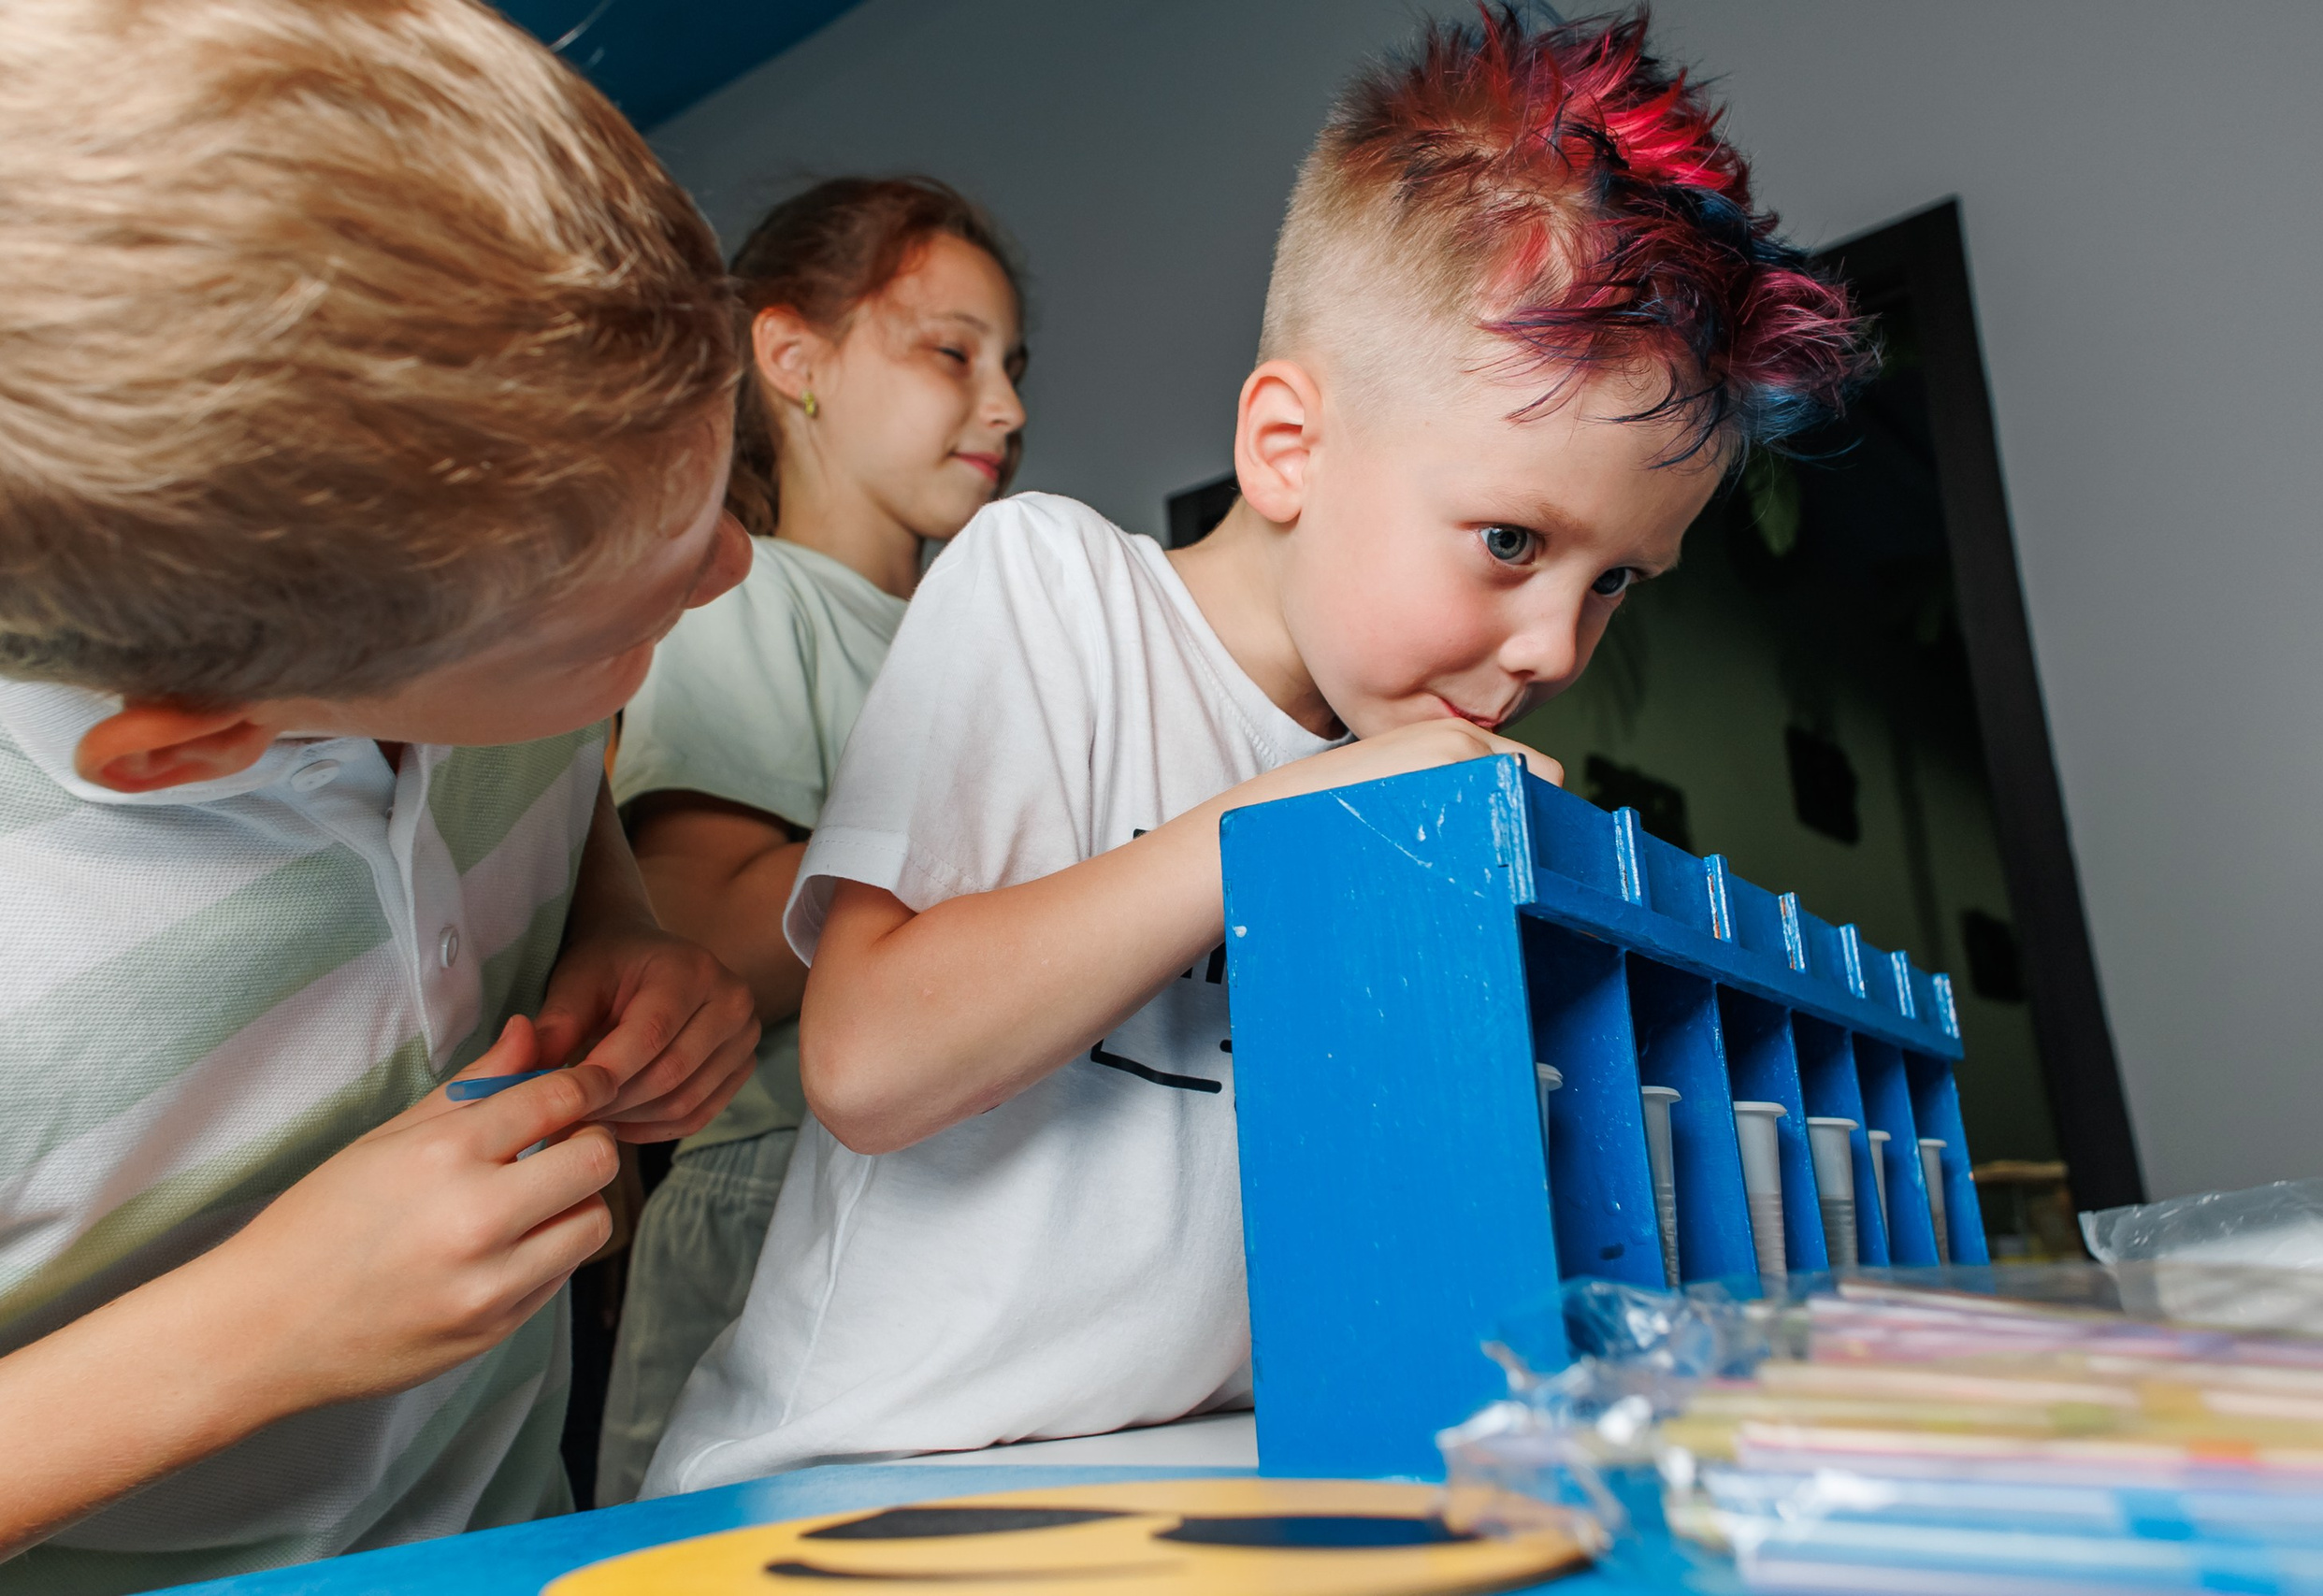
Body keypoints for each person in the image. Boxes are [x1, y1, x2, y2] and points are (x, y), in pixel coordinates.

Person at [644, 7, 1877, 1494]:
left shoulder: (1414, 775)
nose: (1557, 646)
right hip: (865, 1479)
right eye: (1510, 539)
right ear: (1287, 446)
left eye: (1615, 579)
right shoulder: (1052, 585)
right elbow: (863, 1059)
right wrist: (1290, 822)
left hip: (1191, 1473)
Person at [0, 1, 762, 1586]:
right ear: (196, 743)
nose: (735, 569)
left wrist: (610, 929)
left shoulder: (471, 641)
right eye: (635, 619)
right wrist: (254, 1336)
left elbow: (559, 787)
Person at [595, 177, 1028, 1505]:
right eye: (952, 352)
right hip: (774, 1198)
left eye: (1015, 368)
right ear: (793, 362)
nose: (1005, 406)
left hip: (963, 1199)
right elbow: (705, 939)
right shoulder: (745, 597)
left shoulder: (988, 637)